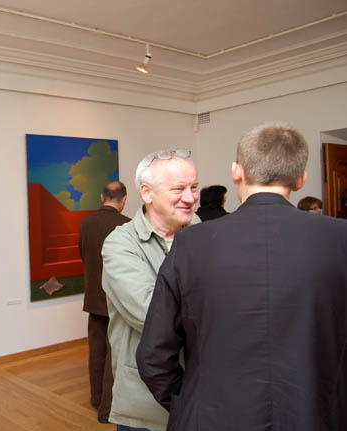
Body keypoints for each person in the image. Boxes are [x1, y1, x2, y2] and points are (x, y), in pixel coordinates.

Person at [137, 122, 347, 430]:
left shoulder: (192, 243)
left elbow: (154, 356)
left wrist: (189, 403)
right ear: (301, 179)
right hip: (315, 416)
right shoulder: (340, 238)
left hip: (213, 418)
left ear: (236, 171)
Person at [102, 149, 198, 431]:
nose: (190, 197)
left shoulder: (201, 232)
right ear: (147, 193)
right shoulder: (121, 244)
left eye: (194, 187)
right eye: (178, 189)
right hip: (146, 403)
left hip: (199, 391)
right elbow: (150, 313)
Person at [78, 181, 130, 423]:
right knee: (114, 353)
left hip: (93, 297)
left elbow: (83, 255)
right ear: (124, 199)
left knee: (96, 350)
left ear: (101, 197)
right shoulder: (127, 225)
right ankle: (107, 410)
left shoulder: (86, 223)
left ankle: (96, 398)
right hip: (117, 299)